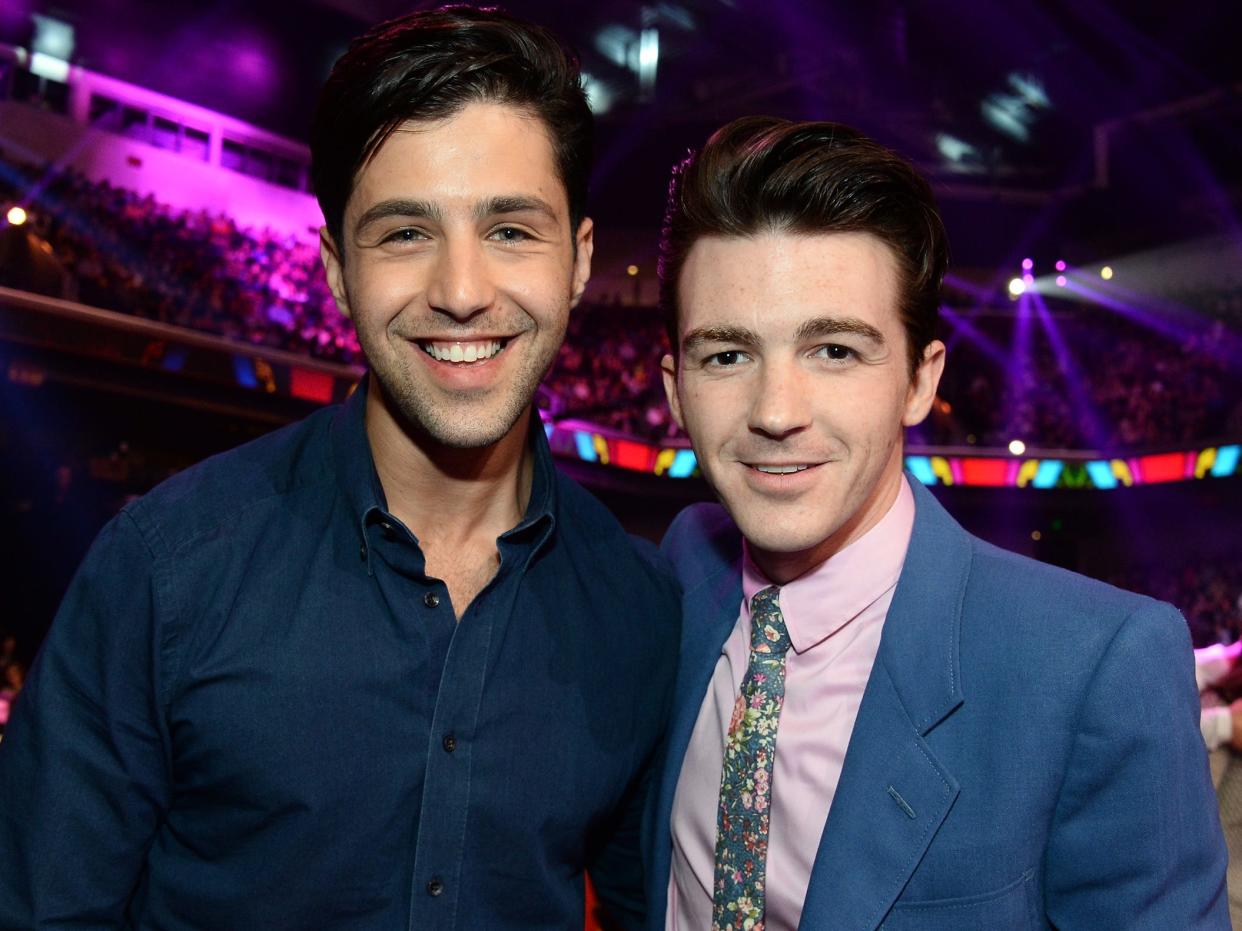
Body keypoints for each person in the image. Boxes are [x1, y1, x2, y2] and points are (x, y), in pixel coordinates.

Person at [0, 8, 679, 928]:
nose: (463, 290)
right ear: (335, 270)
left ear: (580, 260)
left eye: (512, 230)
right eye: (404, 233)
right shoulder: (167, 569)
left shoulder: (640, 608)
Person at [647, 116, 1228, 929]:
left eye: (836, 351)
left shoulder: (1098, 668)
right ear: (675, 390)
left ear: (921, 381)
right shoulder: (679, 578)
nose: (776, 411)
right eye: (727, 355)